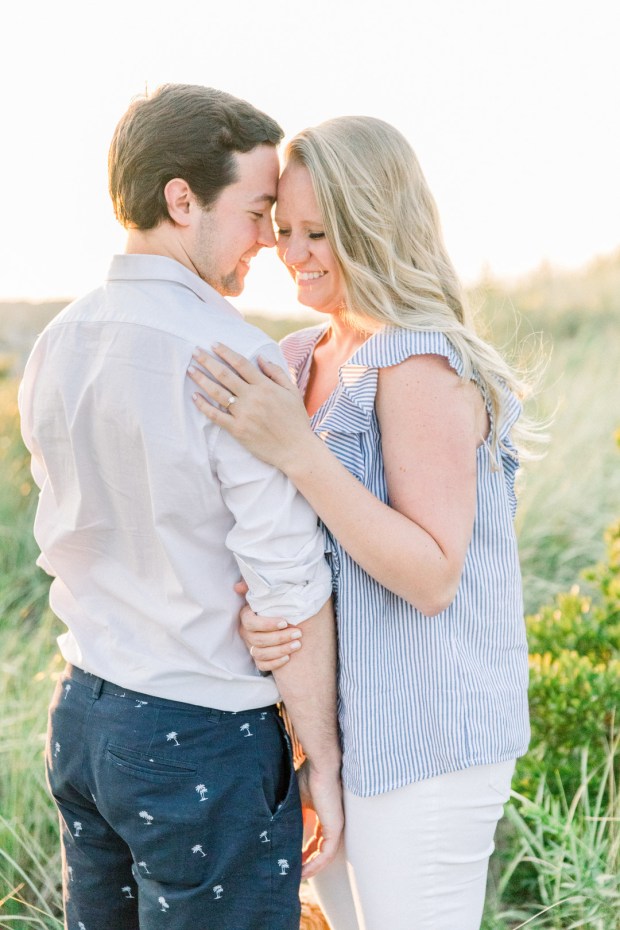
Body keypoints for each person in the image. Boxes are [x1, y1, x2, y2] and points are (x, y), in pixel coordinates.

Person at [187, 115, 539, 930]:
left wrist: (298, 454)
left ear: (376, 226)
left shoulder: (419, 360)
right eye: (284, 231)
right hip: (332, 732)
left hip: (426, 738)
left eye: (320, 233)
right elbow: (294, 545)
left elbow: (432, 574)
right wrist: (260, 611)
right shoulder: (303, 356)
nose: (294, 253)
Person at [18, 84, 343, 930]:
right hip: (198, 733)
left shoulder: (57, 344)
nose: (269, 244)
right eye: (257, 212)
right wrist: (325, 763)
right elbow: (287, 584)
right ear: (180, 198)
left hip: (86, 719)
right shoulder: (233, 357)